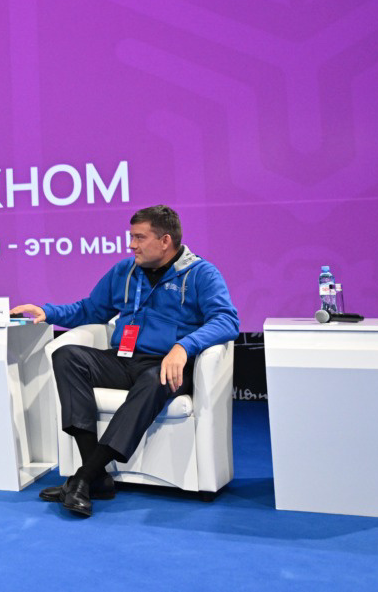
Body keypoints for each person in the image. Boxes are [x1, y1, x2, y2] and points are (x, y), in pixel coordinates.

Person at [12, 205, 237, 517]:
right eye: (131, 237)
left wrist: (184, 347)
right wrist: (48, 312)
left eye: (139, 238)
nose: (131, 245)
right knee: (67, 355)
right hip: (123, 360)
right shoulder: (125, 271)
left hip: (166, 366)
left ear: (165, 241)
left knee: (155, 378)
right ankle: (95, 477)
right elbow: (90, 310)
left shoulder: (202, 274)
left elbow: (226, 320)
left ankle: (83, 478)